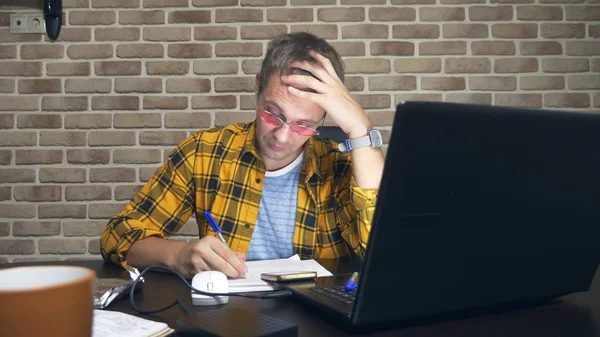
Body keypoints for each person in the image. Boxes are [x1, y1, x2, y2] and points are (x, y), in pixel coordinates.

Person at [100, 32, 385, 279]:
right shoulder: (204, 151)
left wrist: (360, 130)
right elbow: (118, 235)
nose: (282, 136)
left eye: (304, 125)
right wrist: (180, 255)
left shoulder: (343, 167)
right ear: (258, 86)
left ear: (323, 117)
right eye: (273, 113)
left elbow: (386, 257)